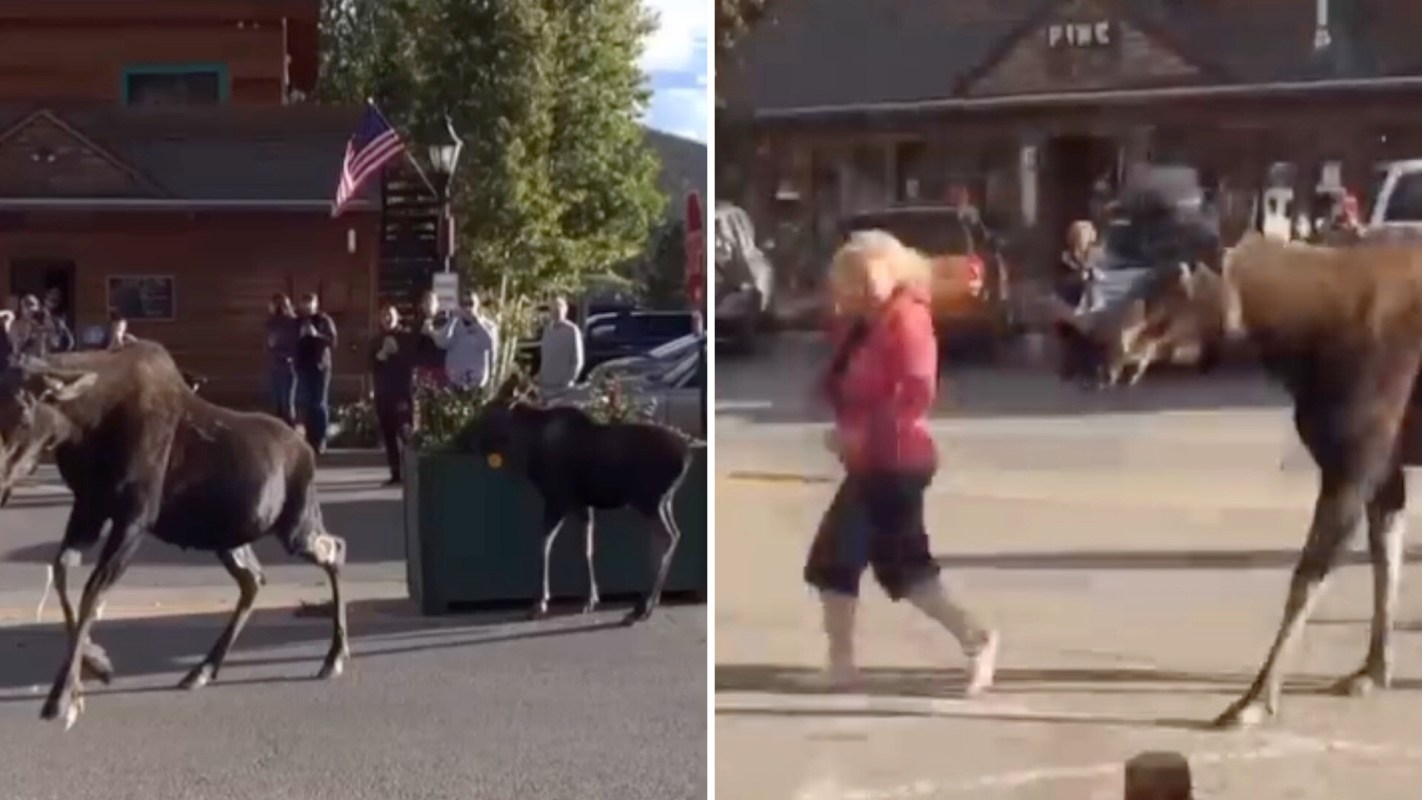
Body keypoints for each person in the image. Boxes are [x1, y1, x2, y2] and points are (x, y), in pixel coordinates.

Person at [804, 229, 1000, 697]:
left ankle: (978, 639)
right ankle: (842, 663)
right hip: (872, 462)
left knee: (902, 567)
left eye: (872, 275)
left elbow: (916, 391)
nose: (863, 286)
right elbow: (842, 380)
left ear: (895, 271)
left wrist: (861, 432)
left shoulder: (907, 317)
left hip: (896, 461)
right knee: (839, 559)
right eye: (854, 279)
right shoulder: (865, 323)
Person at [368, 303, 417, 485]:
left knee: (406, 434)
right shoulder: (375, 341)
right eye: (384, 316)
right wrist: (381, 354)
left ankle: (412, 473)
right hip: (383, 394)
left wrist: (395, 352)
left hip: (401, 393)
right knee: (389, 436)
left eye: (390, 315)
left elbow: (411, 359)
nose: (387, 319)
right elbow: (371, 364)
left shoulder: (405, 337)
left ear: (397, 317)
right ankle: (395, 474)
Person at [1054, 220, 1104, 385]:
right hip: (1072, 302)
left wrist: (1092, 275)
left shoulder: (1097, 255)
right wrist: (1078, 277)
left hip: (1093, 301)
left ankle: (1089, 371)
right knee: (1078, 329)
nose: (1080, 239)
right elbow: (1061, 283)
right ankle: (1078, 369)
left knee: (1091, 331)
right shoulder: (1065, 257)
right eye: (1077, 236)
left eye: (1083, 236)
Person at [293, 293, 338, 454]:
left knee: (319, 403)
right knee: (304, 402)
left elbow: (332, 341)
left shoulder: (324, 320)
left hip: (320, 367)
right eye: (305, 303)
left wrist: (316, 335)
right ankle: (308, 440)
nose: (307, 306)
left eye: (310, 303)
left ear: (316, 304)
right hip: (303, 367)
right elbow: (292, 341)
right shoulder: (298, 321)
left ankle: (320, 440)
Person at [439, 290, 498, 391]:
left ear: (477, 305)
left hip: (477, 382)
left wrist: (476, 322)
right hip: (454, 380)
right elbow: (443, 343)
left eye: (471, 303)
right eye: (463, 304)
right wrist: (453, 319)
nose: (467, 308)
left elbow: (489, 345)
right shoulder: (454, 325)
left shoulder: (488, 326)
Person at [536, 296, 584, 395]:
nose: (556, 310)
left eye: (560, 307)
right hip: (545, 387)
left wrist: (567, 381)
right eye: (554, 307)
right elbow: (545, 357)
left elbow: (578, 361)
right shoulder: (548, 330)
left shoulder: (572, 330)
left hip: (562, 389)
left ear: (565, 310)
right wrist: (540, 376)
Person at [265, 293, 300, 425]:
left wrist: (281, 352)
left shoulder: (292, 323)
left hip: (286, 364)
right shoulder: (272, 323)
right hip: (277, 364)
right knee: (280, 402)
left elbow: (294, 344)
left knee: (285, 402)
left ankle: (287, 431)